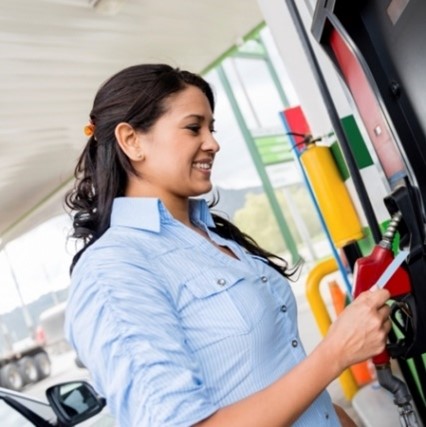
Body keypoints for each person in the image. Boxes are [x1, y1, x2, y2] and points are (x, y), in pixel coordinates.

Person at [64, 63, 391, 427]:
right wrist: (335, 353)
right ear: (131, 141)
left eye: (211, 128)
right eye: (193, 128)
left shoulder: (212, 238)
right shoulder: (113, 271)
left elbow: (276, 378)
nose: (213, 143)